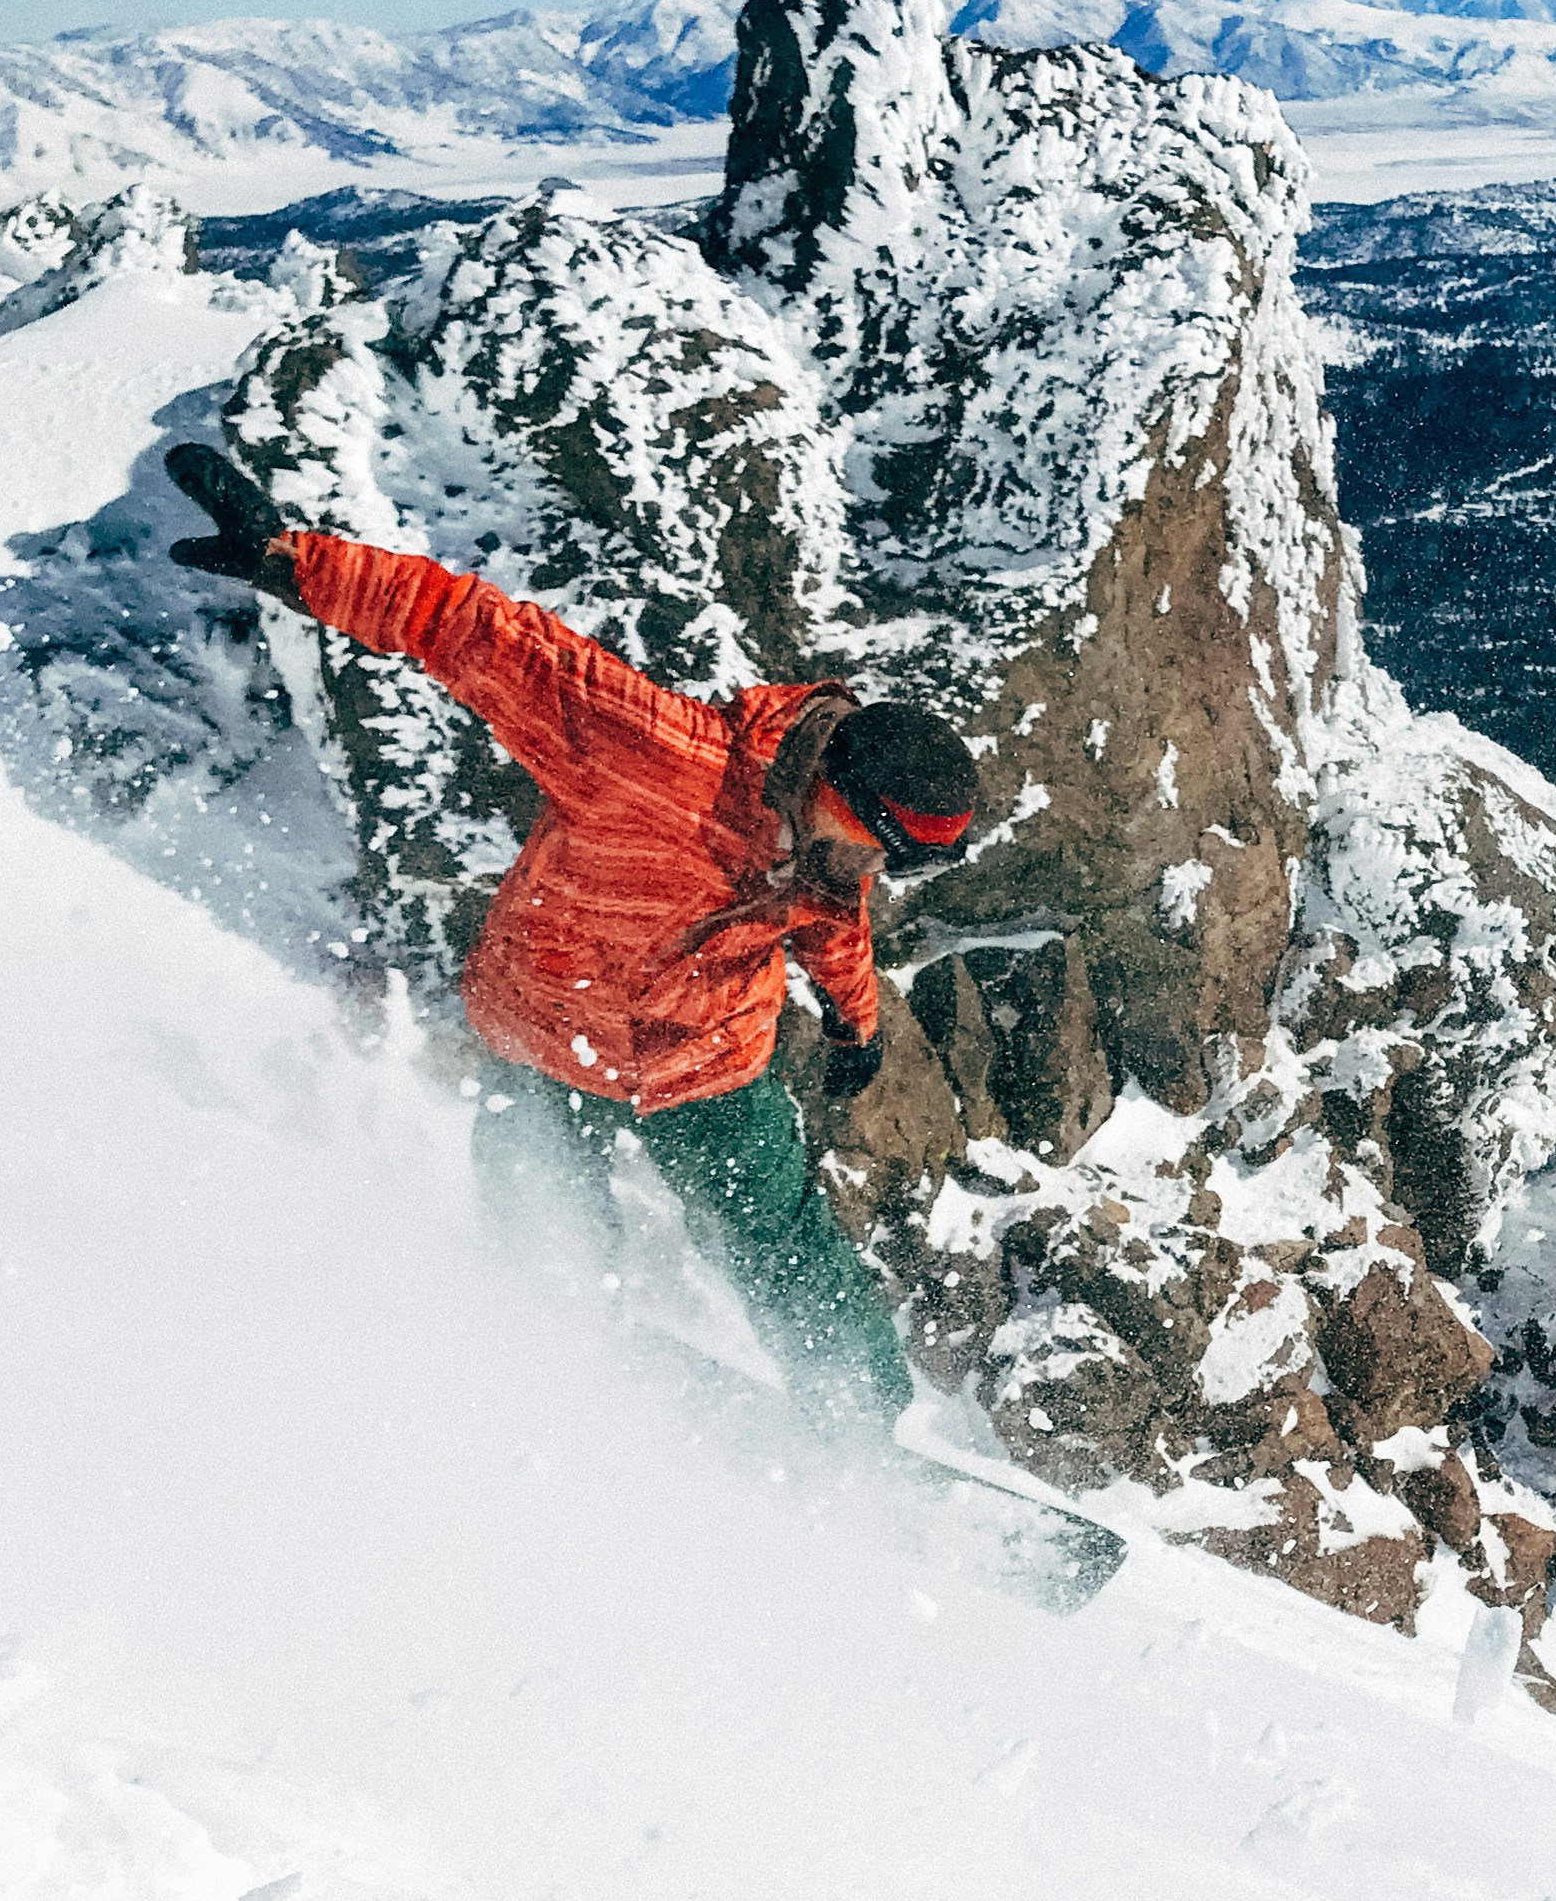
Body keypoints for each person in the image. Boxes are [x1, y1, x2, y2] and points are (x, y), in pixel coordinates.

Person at [166, 441, 978, 1441]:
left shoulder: (831, 853)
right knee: (540, 1202)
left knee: (776, 1234)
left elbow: (835, 931)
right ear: (828, 782)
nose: (860, 867)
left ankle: (858, 1421)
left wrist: (856, 1029)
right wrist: (298, 564)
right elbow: (480, 633)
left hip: (703, 1061)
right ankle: (548, 1349)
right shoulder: (654, 751)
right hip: (546, 1029)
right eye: (864, 839)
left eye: (882, 859)